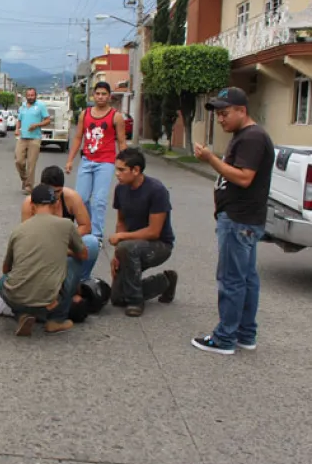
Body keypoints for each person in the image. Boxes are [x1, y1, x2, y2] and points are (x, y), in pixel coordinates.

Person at [191, 87, 274, 355]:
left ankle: (225, 337)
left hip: (239, 219)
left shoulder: (252, 137)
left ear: (242, 110)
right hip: (243, 218)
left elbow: (243, 177)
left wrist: (210, 158)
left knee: (232, 280)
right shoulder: (246, 135)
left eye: (225, 114)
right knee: (246, 278)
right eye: (218, 115)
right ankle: (245, 334)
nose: (221, 119)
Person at [0, 184, 88, 337]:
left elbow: (6, 269)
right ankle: (56, 319)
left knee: (2, 282)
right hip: (50, 299)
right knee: (75, 263)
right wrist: (63, 250)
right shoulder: (66, 225)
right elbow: (83, 255)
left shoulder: (18, 230)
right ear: (56, 204)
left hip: (17, 298)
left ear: (32, 206)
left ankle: (22, 314)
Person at [109, 148, 178, 318]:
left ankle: (135, 301)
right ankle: (165, 281)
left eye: (121, 170)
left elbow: (154, 232)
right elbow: (121, 222)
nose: (117, 174)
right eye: (116, 169)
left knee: (128, 248)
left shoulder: (157, 190)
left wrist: (122, 240)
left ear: (136, 170)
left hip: (159, 246)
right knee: (117, 299)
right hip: (130, 245)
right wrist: (117, 254)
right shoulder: (120, 189)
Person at [65, 81, 128, 241]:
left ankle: (97, 235)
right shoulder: (85, 114)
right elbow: (78, 137)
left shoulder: (116, 116)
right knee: (81, 199)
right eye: (98, 94)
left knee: (99, 201)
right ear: (93, 95)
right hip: (87, 160)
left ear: (109, 96)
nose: (100, 97)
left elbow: (121, 141)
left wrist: (125, 165)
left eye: (104, 94)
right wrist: (70, 160)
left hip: (105, 162)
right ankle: (87, 226)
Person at [21, 165, 100, 281]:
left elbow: (86, 226)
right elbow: (26, 235)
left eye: (58, 191)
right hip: (42, 248)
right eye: (51, 192)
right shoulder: (30, 203)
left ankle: (81, 280)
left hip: (65, 244)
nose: (55, 196)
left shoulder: (72, 198)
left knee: (92, 243)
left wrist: (62, 241)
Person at [15, 88, 51, 193]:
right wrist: (17, 129)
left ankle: (29, 186)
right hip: (23, 137)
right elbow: (19, 120)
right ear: (26, 96)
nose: (30, 97)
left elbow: (48, 120)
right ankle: (25, 180)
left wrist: (36, 125)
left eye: (32, 95)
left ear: (36, 95)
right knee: (19, 161)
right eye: (29, 95)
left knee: (31, 164)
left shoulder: (40, 106)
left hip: (35, 139)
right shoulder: (23, 106)